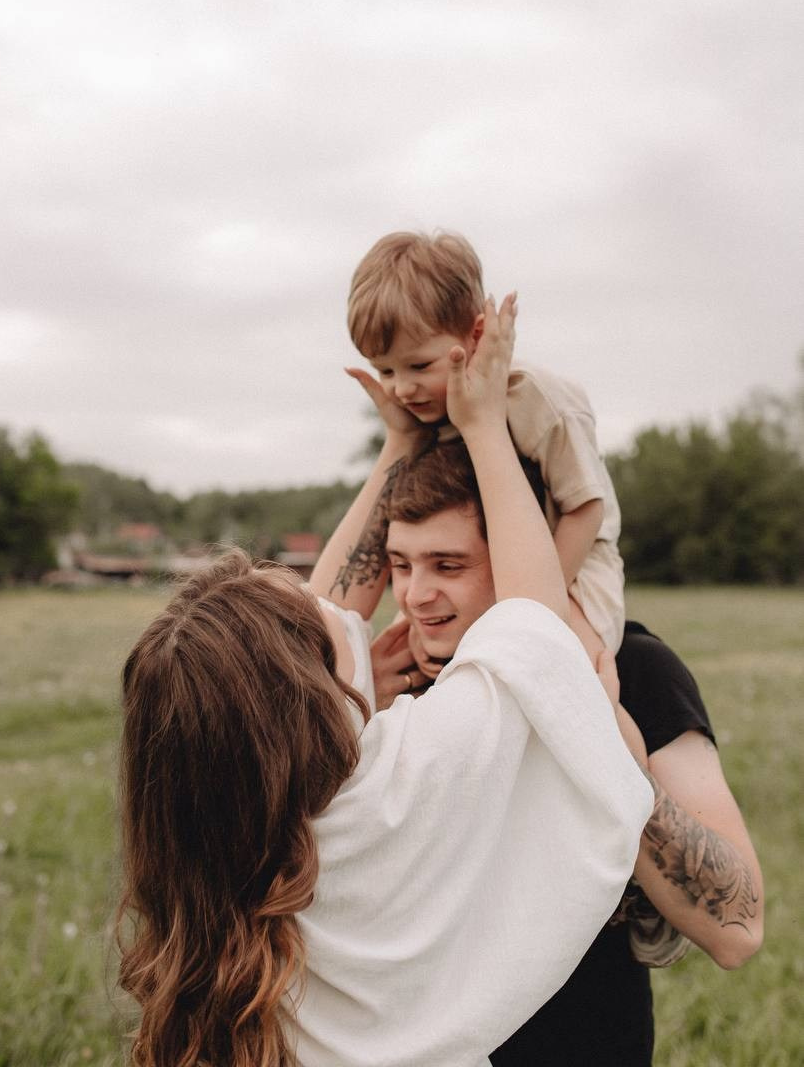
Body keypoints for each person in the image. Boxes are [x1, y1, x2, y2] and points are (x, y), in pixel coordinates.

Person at [117, 297, 652, 1067]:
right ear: (306, 704)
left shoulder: (232, 853)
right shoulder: (393, 785)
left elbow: (314, 625)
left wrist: (398, 444)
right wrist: (476, 428)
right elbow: (532, 624)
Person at [321, 438, 764, 1066]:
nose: (415, 595)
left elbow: (737, 930)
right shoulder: (380, 684)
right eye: (400, 565)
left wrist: (596, 732)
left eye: (448, 566)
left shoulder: (633, 671)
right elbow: (314, 622)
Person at [345, 229, 625, 659]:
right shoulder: (427, 416)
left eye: (419, 365)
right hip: (474, 581)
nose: (402, 388)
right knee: (413, 655)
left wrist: (527, 612)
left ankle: (619, 726)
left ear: (476, 335)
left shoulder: (535, 398)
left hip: (576, 567)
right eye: (385, 371)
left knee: (569, 663)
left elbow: (586, 510)